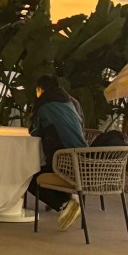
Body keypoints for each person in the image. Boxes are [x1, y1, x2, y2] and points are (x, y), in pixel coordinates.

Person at [28, 74, 88, 230]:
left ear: (40, 89)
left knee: (29, 176)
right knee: (40, 171)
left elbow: (34, 132)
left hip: (65, 160)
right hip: (84, 160)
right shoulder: (70, 103)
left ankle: (65, 203)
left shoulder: (43, 104)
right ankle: (68, 203)